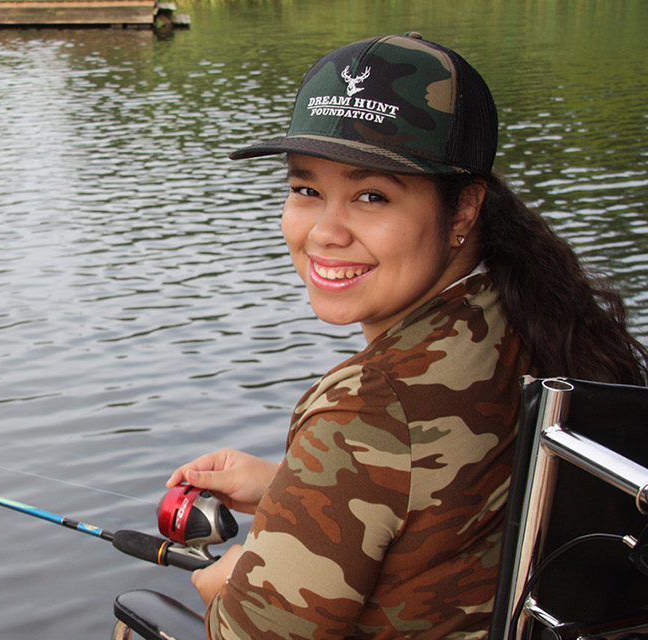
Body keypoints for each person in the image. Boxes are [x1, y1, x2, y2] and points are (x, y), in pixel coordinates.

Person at [166, 33, 648, 639]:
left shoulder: (368, 405)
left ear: (465, 210)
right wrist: (288, 488)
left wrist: (229, 579)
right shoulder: (525, 308)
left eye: (371, 195)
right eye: (305, 189)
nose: (323, 232)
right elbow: (441, 500)